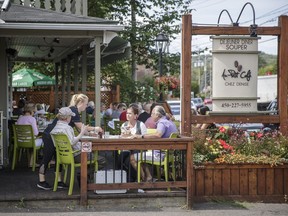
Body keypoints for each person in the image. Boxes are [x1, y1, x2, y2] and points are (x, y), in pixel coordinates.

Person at [37, 93, 104, 191]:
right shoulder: (74, 111)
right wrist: (95, 128)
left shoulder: (72, 109)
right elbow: (80, 126)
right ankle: (41, 181)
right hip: (49, 135)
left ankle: (59, 181)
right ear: (80, 102)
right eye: (86, 104)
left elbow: (77, 128)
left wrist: (89, 134)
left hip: (54, 133)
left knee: (57, 156)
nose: (86, 107)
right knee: (47, 157)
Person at [132, 105, 178, 182]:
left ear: (158, 115)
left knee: (132, 158)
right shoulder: (170, 122)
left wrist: (141, 136)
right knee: (142, 156)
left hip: (159, 155)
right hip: (168, 154)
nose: (151, 115)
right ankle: (149, 177)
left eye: (153, 113)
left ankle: (144, 180)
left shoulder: (161, 123)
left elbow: (158, 135)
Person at [118, 104, 147, 182]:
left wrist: (134, 136)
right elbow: (122, 138)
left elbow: (145, 138)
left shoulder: (141, 125)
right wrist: (123, 136)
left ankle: (135, 178)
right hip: (127, 148)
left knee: (128, 160)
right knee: (119, 158)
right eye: (127, 113)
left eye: (130, 113)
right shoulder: (124, 125)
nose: (127, 115)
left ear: (135, 116)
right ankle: (123, 178)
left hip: (139, 148)